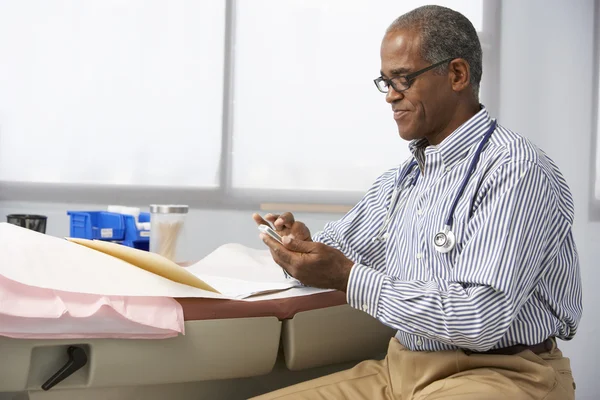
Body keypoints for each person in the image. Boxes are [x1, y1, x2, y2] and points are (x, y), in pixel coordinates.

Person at [251, 5, 582, 400]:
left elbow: (482, 318)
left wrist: (347, 276)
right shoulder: (401, 181)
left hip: (503, 373)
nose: (390, 96)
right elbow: (332, 260)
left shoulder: (516, 170)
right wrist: (299, 250)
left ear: (457, 74)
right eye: (385, 81)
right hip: (401, 368)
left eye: (403, 79)